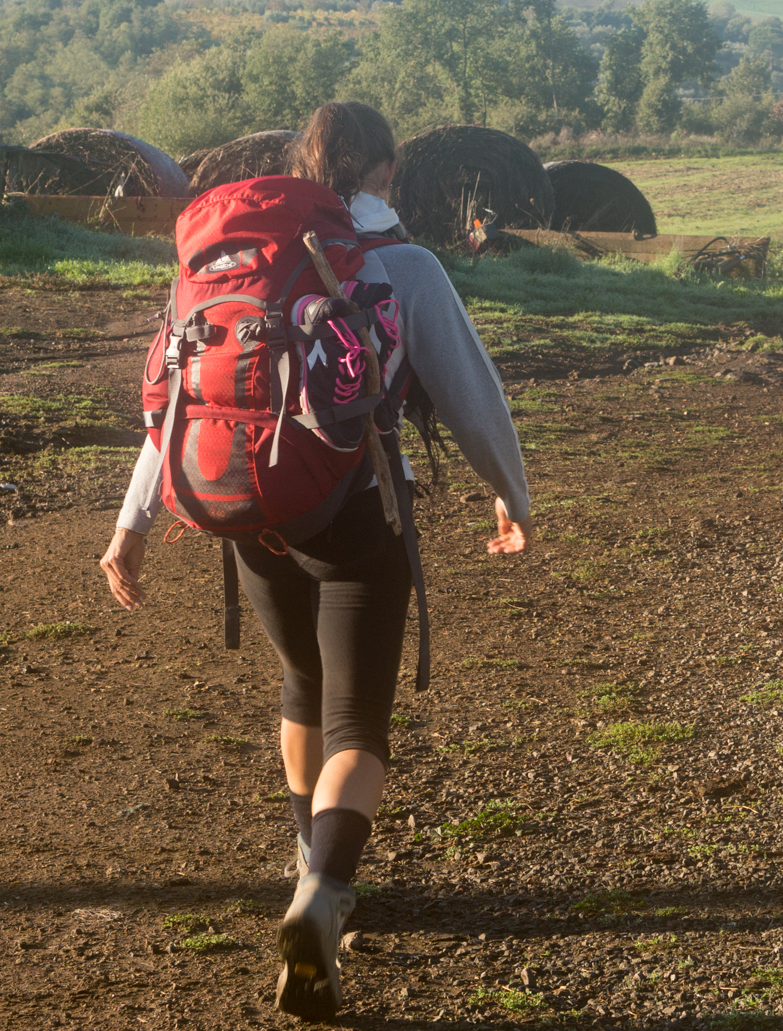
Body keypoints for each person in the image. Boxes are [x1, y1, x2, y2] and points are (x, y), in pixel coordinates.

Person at [99, 101, 533, 1020]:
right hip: (356, 520)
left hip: (245, 512)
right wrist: (511, 493)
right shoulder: (402, 264)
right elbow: (469, 390)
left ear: (300, 168)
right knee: (357, 728)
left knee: (299, 685)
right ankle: (322, 894)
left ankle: (307, 851)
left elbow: (177, 404)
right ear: (384, 174)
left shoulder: (227, 266)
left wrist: (132, 526)